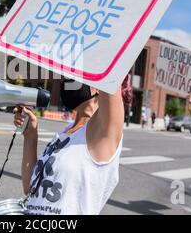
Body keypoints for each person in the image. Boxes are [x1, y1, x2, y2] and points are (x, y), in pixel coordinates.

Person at [15, 74, 132, 215]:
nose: (68, 78)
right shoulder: (65, 132)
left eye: (77, 74)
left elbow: (112, 69)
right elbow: (30, 187)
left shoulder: (104, 134)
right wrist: (30, 135)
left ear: (99, 86)